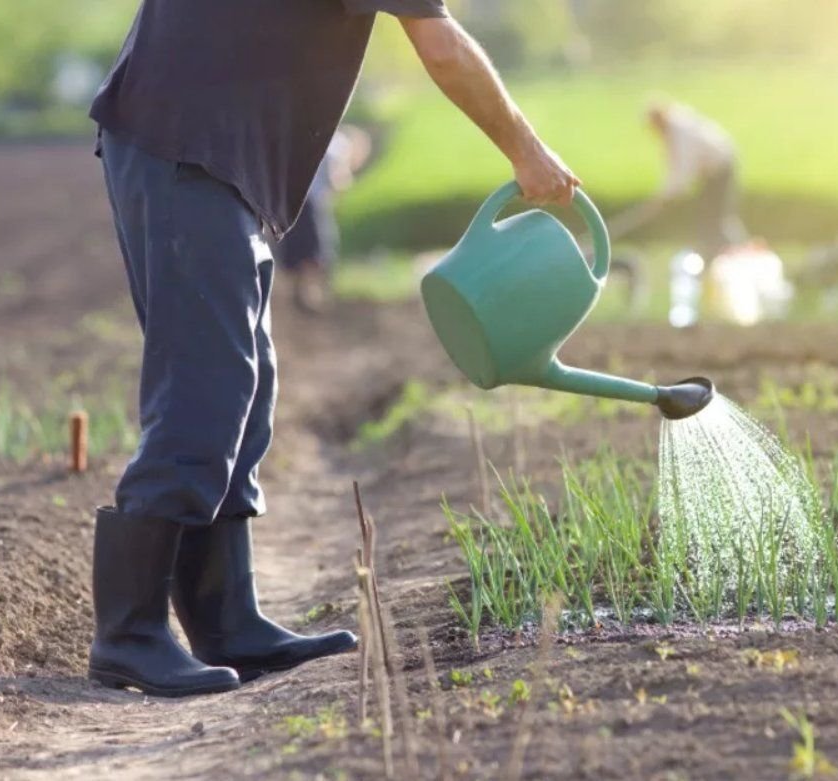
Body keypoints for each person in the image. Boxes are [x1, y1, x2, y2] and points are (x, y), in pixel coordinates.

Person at [87, 0, 579, 698]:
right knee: (208, 383)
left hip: (208, 151)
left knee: (244, 384)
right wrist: (527, 151)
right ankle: (129, 633)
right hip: (185, 145)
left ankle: (227, 619)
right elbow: (440, 48)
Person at [611, 101, 747, 261]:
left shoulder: (681, 132)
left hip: (721, 167)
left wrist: (667, 196)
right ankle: (721, 252)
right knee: (709, 215)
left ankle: (732, 253)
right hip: (712, 171)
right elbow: (674, 169)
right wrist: (665, 194)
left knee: (715, 216)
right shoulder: (673, 130)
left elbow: (683, 170)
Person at [274, 127, 370, 314]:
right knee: (317, 251)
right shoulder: (339, 145)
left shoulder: (315, 136)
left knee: (299, 250)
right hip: (313, 202)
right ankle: (312, 294)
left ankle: (301, 293)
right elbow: (338, 180)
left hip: (292, 202)